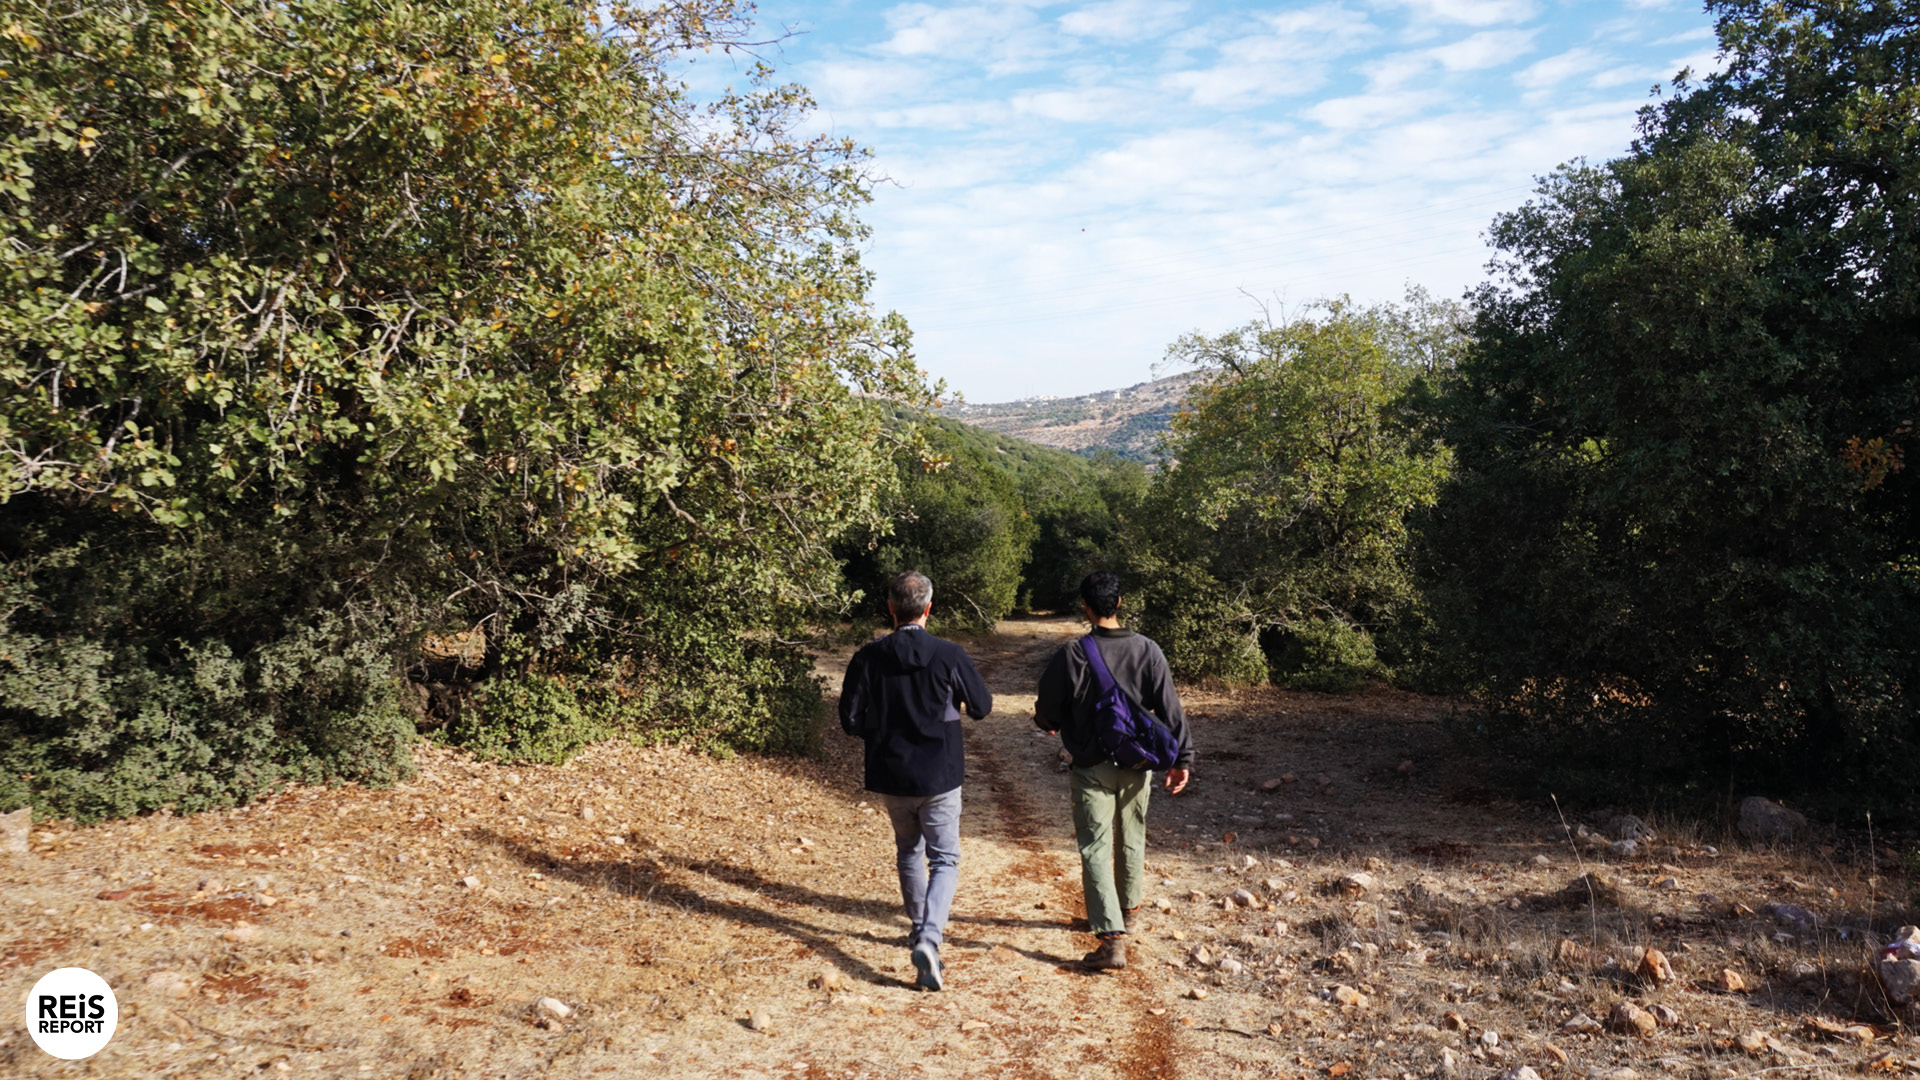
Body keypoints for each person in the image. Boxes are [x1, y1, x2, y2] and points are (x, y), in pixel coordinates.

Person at [838, 570, 993, 991]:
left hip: (891, 773)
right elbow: (981, 707)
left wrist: (882, 730)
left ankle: (919, 930)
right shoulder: (949, 654)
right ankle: (929, 936)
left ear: (890, 608)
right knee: (944, 859)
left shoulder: (867, 657)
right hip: (940, 774)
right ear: (928, 608)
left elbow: (850, 720)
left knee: (909, 851)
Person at [1035, 571, 1192, 971]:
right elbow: (1172, 711)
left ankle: (1110, 939)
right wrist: (1181, 760)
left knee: (1094, 846)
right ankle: (1129, 910)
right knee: (1132, 836)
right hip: (1138, 764)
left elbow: (1047, 712)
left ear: (1086, 606)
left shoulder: (1072, 654)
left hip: (1090, 765)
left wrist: (1051, 723)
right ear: (1119, 602)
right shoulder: (1148, 650)